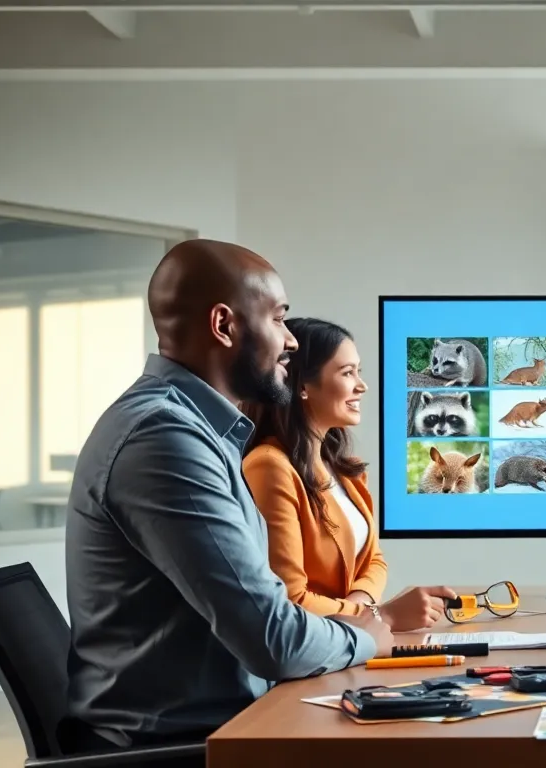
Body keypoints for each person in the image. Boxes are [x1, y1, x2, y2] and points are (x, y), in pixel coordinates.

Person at [62, 240, 392, 756]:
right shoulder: (165, 439)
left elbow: (268, 610)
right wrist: (371, 638)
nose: (291, 341)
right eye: (280, 319)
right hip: (185, 744)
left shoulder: (199, 432)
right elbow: (274, 638)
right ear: (224, 325)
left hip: (229, 719)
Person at [241, 317, 457, 630]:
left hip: (349, 644)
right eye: (347, 373)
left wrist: (360, 613)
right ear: (302, 385)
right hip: (310, 656)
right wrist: (379, 617)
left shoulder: (344, 469)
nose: (362, 385)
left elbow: (375, 562)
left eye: (358, 371)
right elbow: (289, 600)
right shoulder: (269, 467)